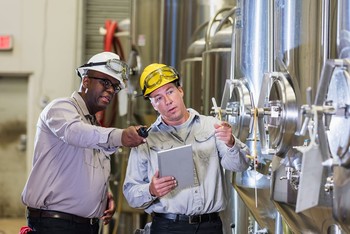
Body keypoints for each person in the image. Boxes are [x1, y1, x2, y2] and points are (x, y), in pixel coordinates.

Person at [21, 51, 146, 234]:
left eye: (115, 86)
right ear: (86, 81)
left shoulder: (93, 125)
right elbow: (75, 133)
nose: (111, 90)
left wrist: (104, 194)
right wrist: (120, 136)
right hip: (55, 225)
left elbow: (86, 166)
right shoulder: (60, 108)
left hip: (87, 226)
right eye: (105, 82)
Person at [123, 63, 250, 234]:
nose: (167, 101)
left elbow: (239, 166)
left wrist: (231, 142)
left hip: (210, 226)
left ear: (180, 91)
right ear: (153, 104)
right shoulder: (145, 141)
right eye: (158, 98)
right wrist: (151, 190)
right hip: (168, 227)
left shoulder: (212, 125)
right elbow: (131, 193)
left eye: (170, 91)